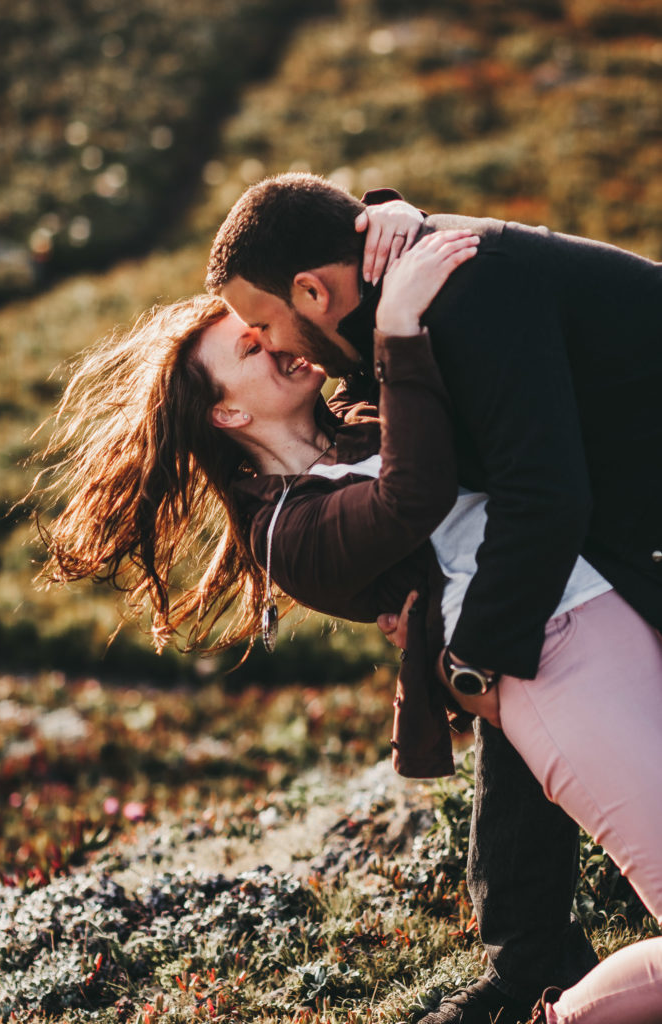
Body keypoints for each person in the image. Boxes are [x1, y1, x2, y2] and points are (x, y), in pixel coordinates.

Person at [39, 214, 662, 1021]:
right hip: (542, 659)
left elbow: (333, 298)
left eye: (261, 326)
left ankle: (527, 966)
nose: (273, 343)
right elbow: (412, 495)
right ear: (227, 415)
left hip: (608, 605)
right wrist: (397, 330)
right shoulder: (289, 533)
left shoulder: (357, 415)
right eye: (251, 346)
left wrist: (385, 220)